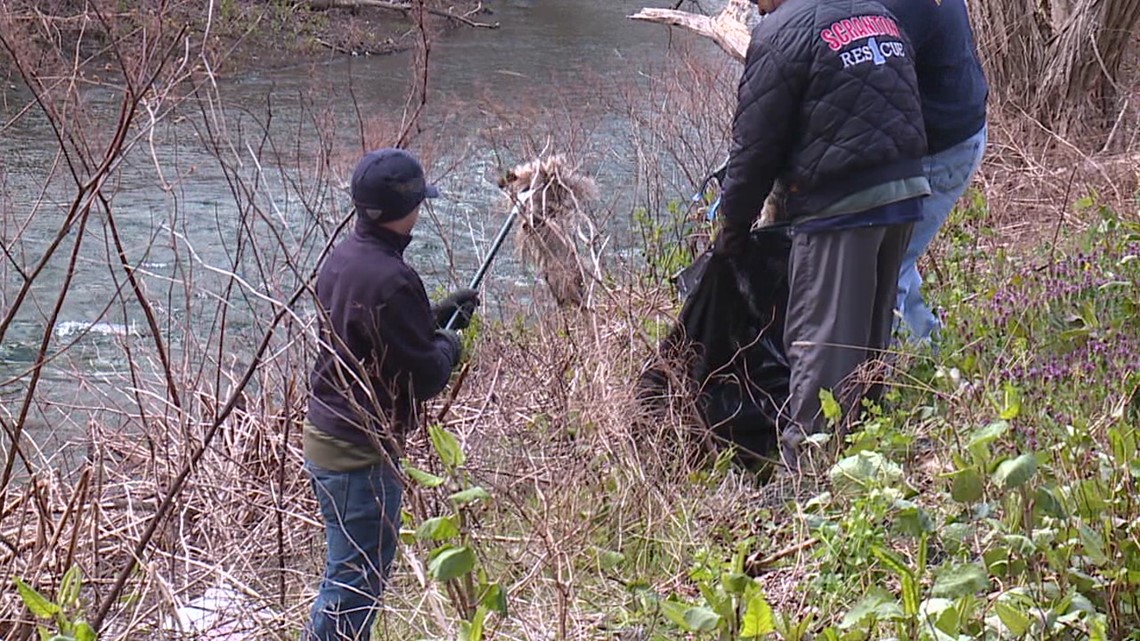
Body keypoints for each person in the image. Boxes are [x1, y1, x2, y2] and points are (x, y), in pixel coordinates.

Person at [713, 0, 930, 470]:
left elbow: (754, 149)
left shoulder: (783, 33)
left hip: (842, 204)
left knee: (822, 345)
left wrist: (732, 225)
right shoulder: (875, 11)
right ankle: (869, 457)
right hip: (905, 188)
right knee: (871, 338)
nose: (752, 4)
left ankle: (808, 482)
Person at [304, 147, 480, 640]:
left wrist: (435, 319)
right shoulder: (393, 279)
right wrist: (450, 343)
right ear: (407, 209)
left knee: (344, 577)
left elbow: (370, 337)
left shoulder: (343, 257)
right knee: (353, 584)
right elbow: (424, 376)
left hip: (326, 436)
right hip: (360, 453)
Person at [880, 0, 989, 345]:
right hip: (956, 131)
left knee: (885, 268)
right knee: (896, 257)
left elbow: (873, 85)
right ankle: (924, 349)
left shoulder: (897, 9)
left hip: (941, 150)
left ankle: (887, 377)